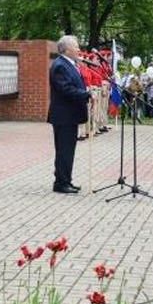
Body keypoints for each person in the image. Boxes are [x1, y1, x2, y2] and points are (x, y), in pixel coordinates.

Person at [49, 35, 90, 194]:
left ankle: (66, 179)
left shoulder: (70, 65)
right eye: (76, 46)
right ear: (66, 49)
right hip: (63, 115)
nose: (79, 49)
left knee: (67, 150)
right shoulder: (60, 66)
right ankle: (61, 183)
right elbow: (65, 89)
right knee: (64, 151)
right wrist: (86, 94)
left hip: (69, 115)